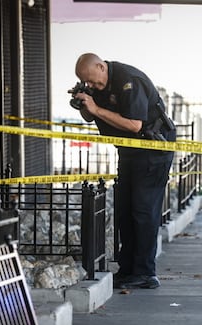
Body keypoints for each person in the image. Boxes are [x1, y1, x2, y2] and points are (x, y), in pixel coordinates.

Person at [72, 53, 175, 289]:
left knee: (143, 211)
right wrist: (84, 104)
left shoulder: (128, 80)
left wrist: (96, 109)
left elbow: (134, 124)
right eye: (88, 84)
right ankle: (128, 269)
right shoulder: (98, 84)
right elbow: (91, 116)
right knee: (125, 211)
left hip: (152, 150)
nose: (93, 87)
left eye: (94, 82)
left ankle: (146, 273)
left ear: (101, 66)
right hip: (129, 151)